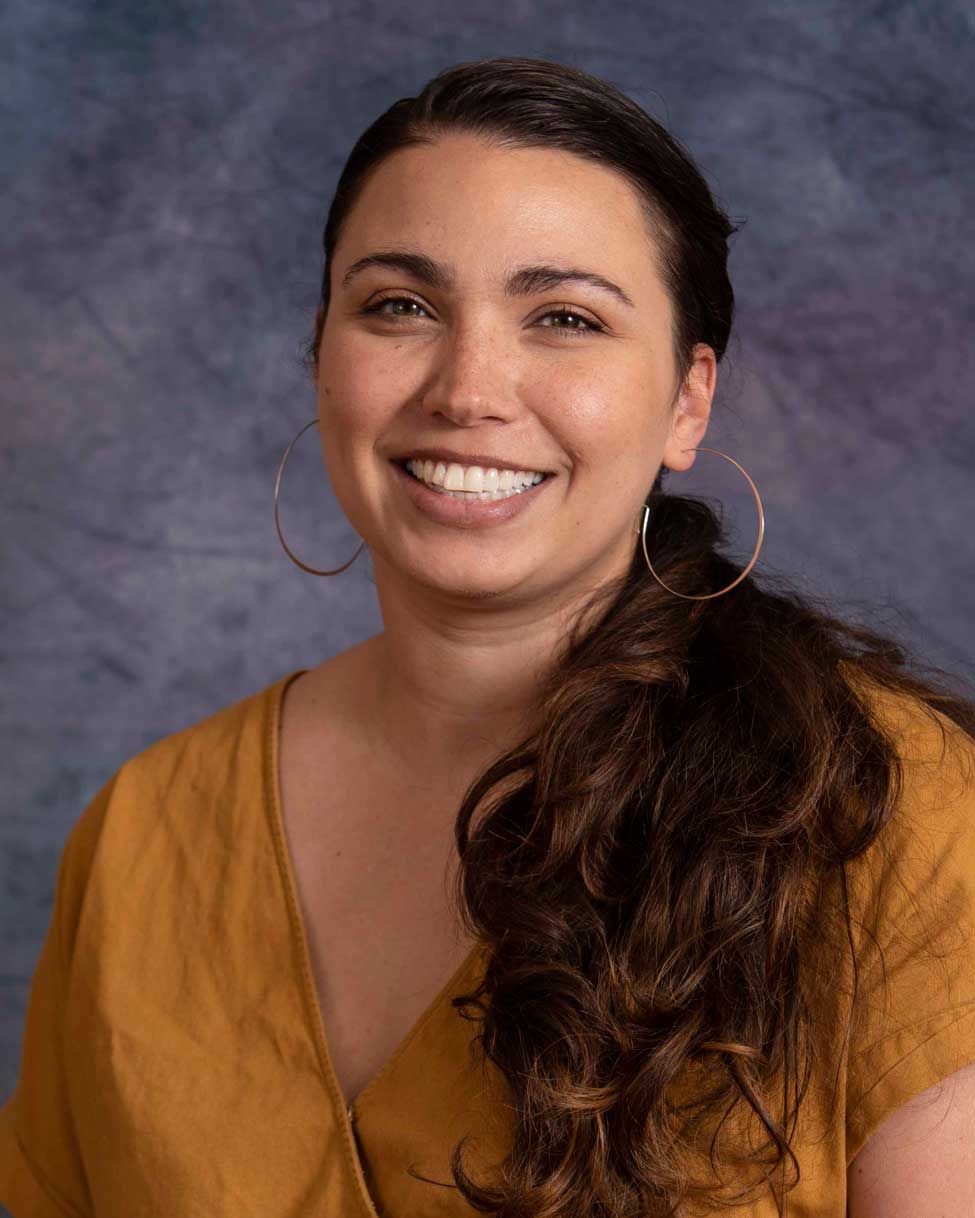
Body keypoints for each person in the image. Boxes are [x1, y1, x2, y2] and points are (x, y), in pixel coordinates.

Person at [2, 55, 974, 1218]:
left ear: (687, 401)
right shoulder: (140, 834)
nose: (469, 388)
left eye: (565, 318)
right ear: (322, 356)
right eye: (399, 306)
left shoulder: (889, 809)